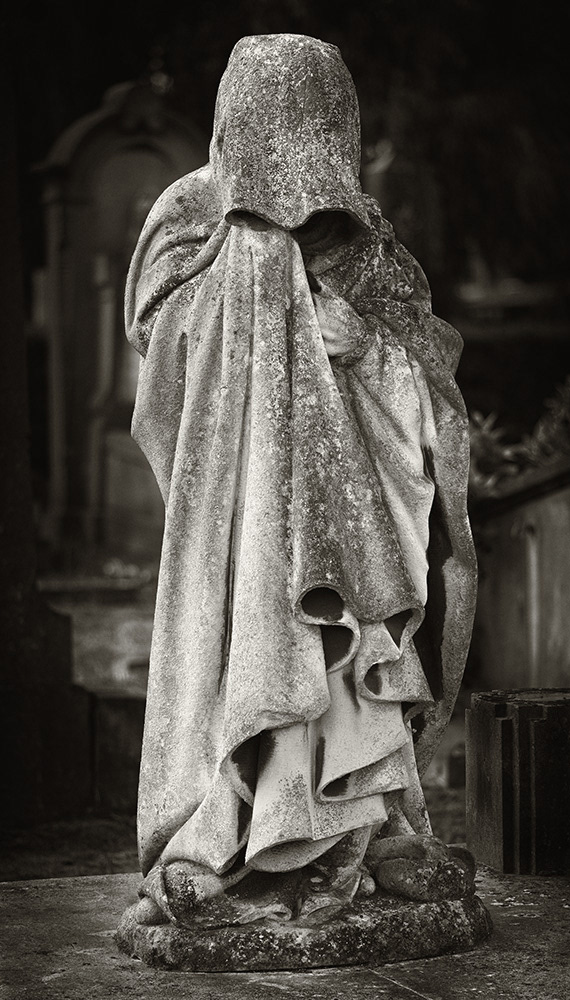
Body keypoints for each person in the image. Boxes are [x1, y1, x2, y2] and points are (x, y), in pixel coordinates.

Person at [124, 33, 476, 927]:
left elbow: (423, 371)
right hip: (242, 504)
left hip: (344, 513)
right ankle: (232, 827)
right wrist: (264, 308)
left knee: (350, 652)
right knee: (255, 632)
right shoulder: (193, 216)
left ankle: (364, 828)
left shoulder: (362, 238)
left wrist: (363, 353)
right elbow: (160, 351)